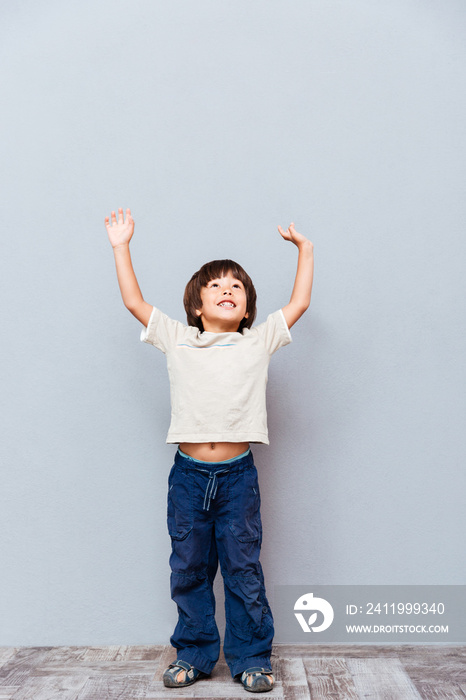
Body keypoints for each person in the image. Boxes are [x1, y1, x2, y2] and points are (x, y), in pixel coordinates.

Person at [105, 207, 314, 693]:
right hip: (189, 477)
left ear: (247, 310)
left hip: (238, 477)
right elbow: (134, 302)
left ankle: (251, 657)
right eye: (216, 285)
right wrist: (121, 246)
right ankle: (196, 653)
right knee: (189, 567)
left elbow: (299, 303)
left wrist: (304, 249)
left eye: (236, 287)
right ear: (197, 306)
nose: (227, 290)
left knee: (242, 567)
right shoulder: (179, 340)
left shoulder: (257, 343)